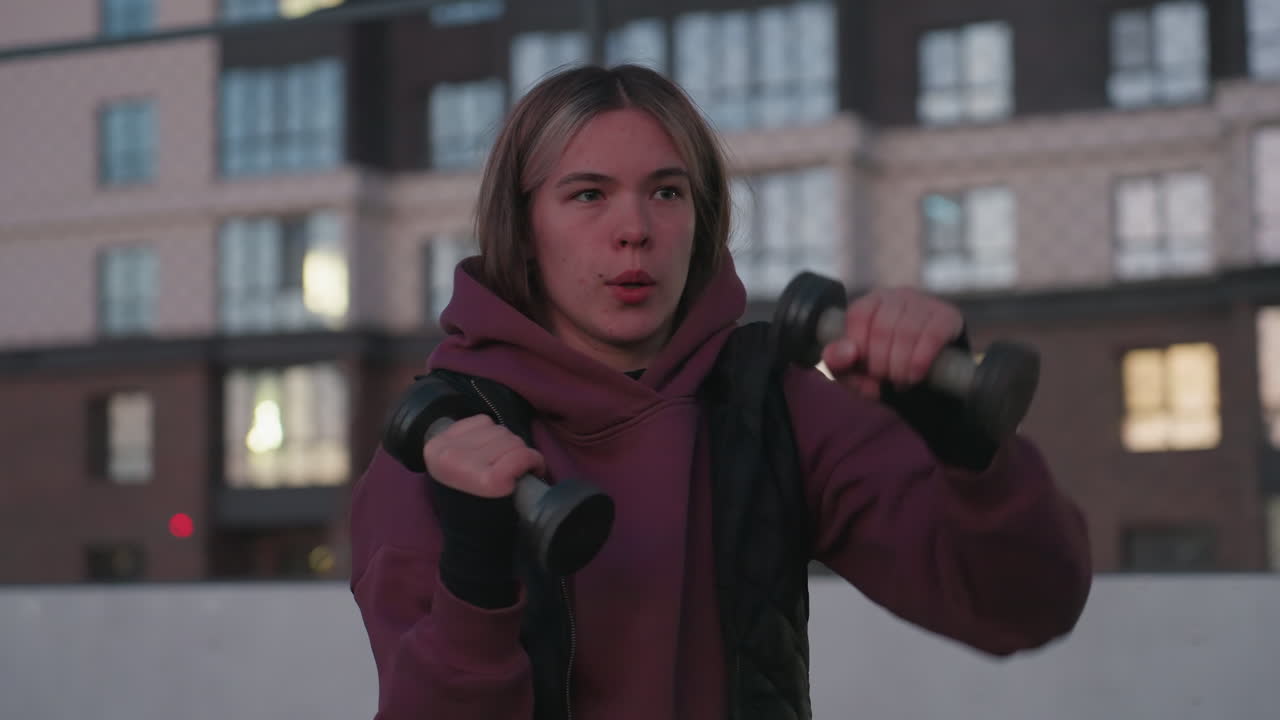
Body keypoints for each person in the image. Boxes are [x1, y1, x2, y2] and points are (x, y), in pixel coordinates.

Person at [347, 63, 1092, 720]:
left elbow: (1024, 610)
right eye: (587, 195)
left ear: (701, 220)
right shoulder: (447, 442)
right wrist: (476, 583)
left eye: (666, 191)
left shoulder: (774, 403)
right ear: (523, 223)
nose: (635, 228)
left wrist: (966, 449)